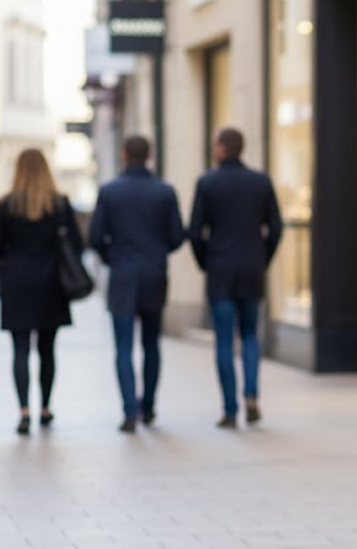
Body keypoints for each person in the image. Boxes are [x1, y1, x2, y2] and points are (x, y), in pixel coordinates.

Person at [89, 135, 185, 433]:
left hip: (122, 274)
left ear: (124, 155)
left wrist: (114, 258)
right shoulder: (164, 191)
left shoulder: (110, 191)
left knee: (123, 346)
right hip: (154, 272)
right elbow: (177, 236)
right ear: (150, 155)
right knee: (152, 343)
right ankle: (149, 406)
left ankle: (129, 410)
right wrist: (157, 254)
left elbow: (94, 237)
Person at [188, 127, 283, 428]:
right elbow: (276, 228)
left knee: (225, 341)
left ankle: (230, 409)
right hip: (251, 269)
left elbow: (194, 232)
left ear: (220, 149)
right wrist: (262, 258)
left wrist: (207, 261)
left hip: (220, 270)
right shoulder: (260, 181)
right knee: (251, 336)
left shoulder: (207, 183)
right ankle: (251, 396)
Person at [0, 149, 84, 436]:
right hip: (51, 283)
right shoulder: (59, 204)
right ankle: (45, 407)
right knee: (47, 350)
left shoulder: (7, 205)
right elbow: (77, 244)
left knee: (19, 350)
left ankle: (23, 412)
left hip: (17, 283)